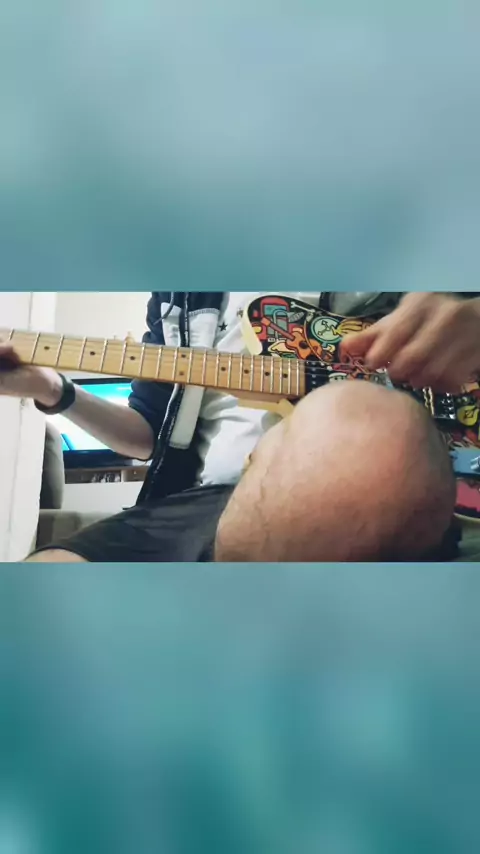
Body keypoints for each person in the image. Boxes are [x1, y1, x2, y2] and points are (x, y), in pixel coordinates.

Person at [1, 290, 479, 563]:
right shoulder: (176, 293)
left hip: (372, 467)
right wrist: (53, 390)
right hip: (204, 498)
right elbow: (144, 435)